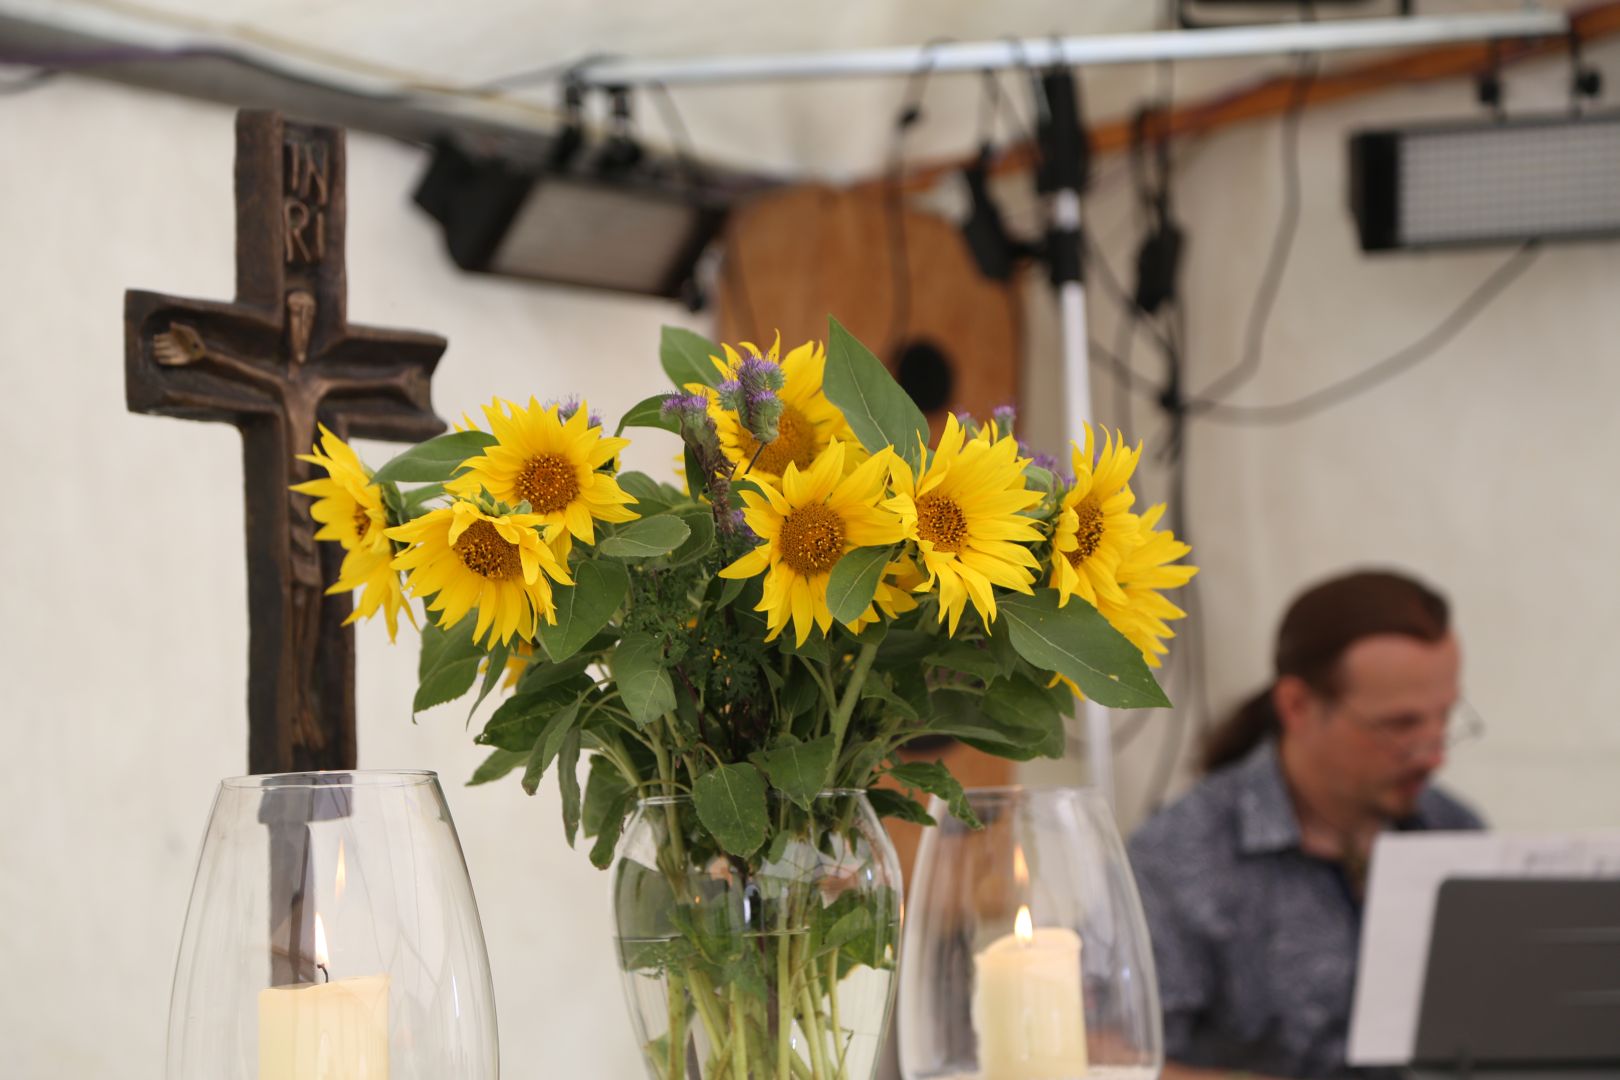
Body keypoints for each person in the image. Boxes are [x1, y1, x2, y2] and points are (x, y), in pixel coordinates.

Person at [1128, 569, 1483, 1080]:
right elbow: (1110, 1055)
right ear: (1296, 705)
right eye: (1401, 725)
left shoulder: (1453, 831)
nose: (1434, 757)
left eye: (1444, 718)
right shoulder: (1179, 856)